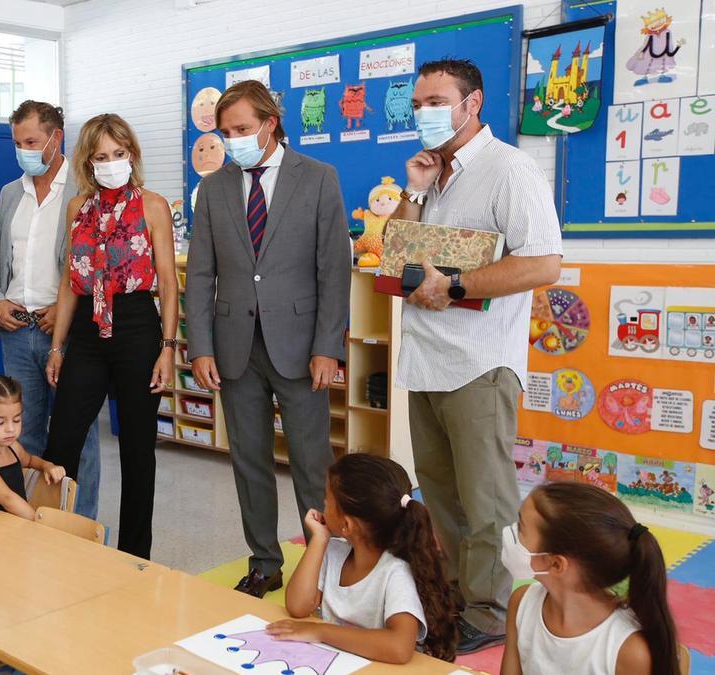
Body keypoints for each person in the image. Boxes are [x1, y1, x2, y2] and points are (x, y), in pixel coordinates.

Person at [392, 58, 563, 652]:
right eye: (417, 104)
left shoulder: (509, 169)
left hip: (481, 362)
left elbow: (543, 263)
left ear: (473, 104)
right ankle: (458, 601)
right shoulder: (432, 173)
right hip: (427, 358)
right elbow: (399, 252)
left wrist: (457, 285)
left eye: (436, 101)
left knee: (485, 500)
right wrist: (413, 192)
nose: (424, 114)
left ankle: (489, 615)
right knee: (439, 494)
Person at [187, 79, 351, 597]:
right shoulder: (214, 187)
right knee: (249, 461)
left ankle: (323, 564)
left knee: (311, 462)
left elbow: (334, 269)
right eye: (225, 131)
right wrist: (201, 345)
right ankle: (264, 561)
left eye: (241, 130)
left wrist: (329, 345)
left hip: (302, 347)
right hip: (236, 346)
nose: (231, 140)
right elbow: (200, 274)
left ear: (269, 124)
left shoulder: (319, 178)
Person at [42, 113, 178, 560]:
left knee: (138, 451)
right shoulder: (77, 207)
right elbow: (68, 281)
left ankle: (136, 556)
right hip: (84, 328)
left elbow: (168, 282)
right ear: (88, 161)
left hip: (137, 324)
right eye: (101, 156)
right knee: (62, 439)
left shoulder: (152, 205)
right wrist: (58, 347)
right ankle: (58, 538)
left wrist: (168, 349)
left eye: (119, 154)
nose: (111, 162)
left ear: (132, 155)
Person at [0, 100, 103, 520]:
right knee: (22, 435)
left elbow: (98, 264)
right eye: (18, 142)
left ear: (57, 138)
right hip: (17, 332)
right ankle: (32, 522)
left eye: (31, 141)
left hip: (68, 333)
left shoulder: (86, 190)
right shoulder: (9, 193)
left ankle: (80, 525)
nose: (24, 150)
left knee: (79, 434)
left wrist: (64, 309)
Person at [267, 454, 456, 663]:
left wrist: (320, 632)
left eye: (327, 499)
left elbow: (400, 647)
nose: (322, 503)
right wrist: (319, 540)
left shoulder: (395, 572)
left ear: (346, 526)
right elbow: (297, 606)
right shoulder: (332, 551)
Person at [500, 483, 679, 675]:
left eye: (521, 528)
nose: (511, 533)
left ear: (556, 564)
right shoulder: (522, 604)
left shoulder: (628, 650)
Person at [0, 375, 66, 519]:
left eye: (16, 420)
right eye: (0, 422)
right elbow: (8, 499)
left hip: (14, 526)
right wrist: (40, 523)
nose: (10, 429)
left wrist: (46, 465)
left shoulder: (13, 447)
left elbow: (29, 461)